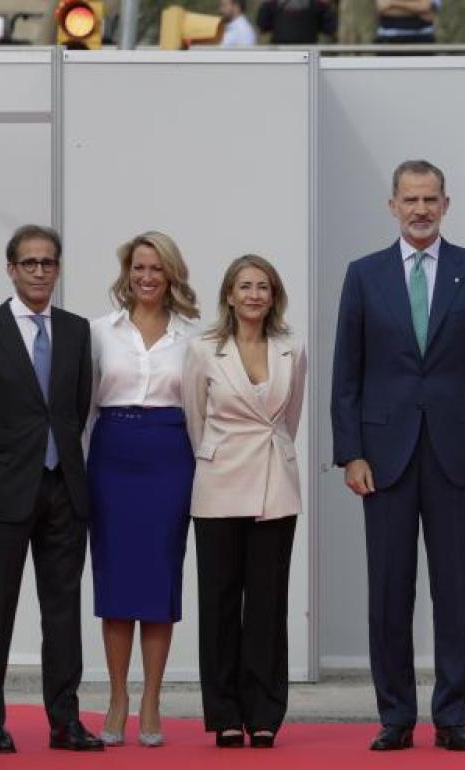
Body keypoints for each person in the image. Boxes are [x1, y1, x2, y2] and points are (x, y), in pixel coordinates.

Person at [331, 159, 465, 752]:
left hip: (457, 453)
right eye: (409, 199)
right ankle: (396, 715)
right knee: (388, 589)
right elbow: (346, 377)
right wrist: (350, 452)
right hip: (382, 458)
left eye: (430, 199)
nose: (420, 210)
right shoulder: (364, 275)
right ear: (392, 206)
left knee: (454, 588)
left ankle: (452, 715)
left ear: (446, 204)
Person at [0, 224, 102, 753]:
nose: (39, 271)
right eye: (29, 263)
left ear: (58, 270)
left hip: (64, 490)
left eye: (48, 263)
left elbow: (76, 410)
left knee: (63, 611)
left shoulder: (77, 331)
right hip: (3, 491)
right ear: (10, 269)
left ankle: (65, 720)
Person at [183, 254, 307, 749]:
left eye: (263, 287)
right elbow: (195, 418)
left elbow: (289, 418)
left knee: (267, 605)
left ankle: (264, 714)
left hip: (275, 483)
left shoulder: (290, 348)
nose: (254, 294)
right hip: (219, 482)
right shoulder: (202, 349)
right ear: (229, 295)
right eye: (245, 286)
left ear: (273, 296)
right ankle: (225, 713)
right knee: (218, 603)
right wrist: (219, 454)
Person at [88, 231, 201, 748]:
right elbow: (83, 406)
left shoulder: (194, 338)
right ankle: (116, 696)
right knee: (115, 584)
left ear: (171, 274)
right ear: (126, 273)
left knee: (159, 581)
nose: (147, 277)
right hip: (112, 455)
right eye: (138, 268)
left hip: (169, 456)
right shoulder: (98, 332)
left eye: (156, 268)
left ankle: (152, 698)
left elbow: (201, 408)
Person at [256, 0, 337, 43]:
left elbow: (262, 25)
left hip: (283, 54)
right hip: (307, 53)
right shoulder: (318, 4)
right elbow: (329, 28)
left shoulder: (272, 4)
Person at [375, 0, 440, 43]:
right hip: (388, 41)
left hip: (422, 41)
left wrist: (391, 3)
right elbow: (381, 7)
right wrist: (416, 9)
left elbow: (425, 7)